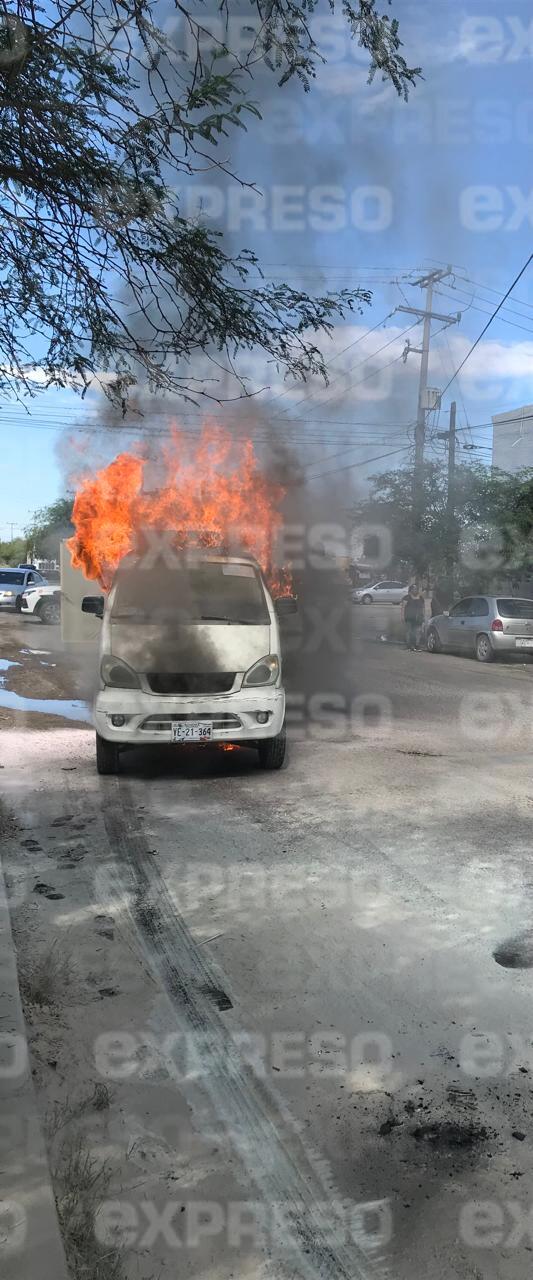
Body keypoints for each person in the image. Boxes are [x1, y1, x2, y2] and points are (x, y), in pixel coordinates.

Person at [403, 583, 425, 650]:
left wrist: (423, 616)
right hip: (409, 617)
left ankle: (417, 645)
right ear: (411, 590)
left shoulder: (421, 598)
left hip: (418, 618)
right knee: (409, 632)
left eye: (416, 589)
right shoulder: (407, 597)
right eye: (413, 589)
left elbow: (423, 608)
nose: (415, 590)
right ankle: (409, 645)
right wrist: (402, 616)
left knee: (418, 632)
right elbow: (403, 607)